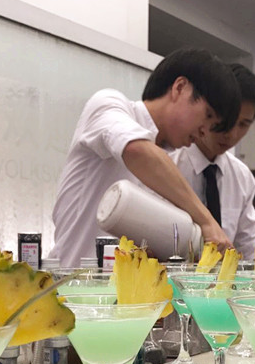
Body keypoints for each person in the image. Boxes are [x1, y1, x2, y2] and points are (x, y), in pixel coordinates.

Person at [49, 49, 240, 267]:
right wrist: (206, 222)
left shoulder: (170, 162)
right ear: (180, 88)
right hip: (73, 283)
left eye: (212, 126)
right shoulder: (108, 105)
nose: (204, 133)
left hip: (127, 288)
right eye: (207, 115)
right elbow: (136, 151)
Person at [170, 64, 255, 259]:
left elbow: (247, 249)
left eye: (243, 124)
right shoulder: (166, 162)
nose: (231, 134)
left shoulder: (242, 177)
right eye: (225, 121)